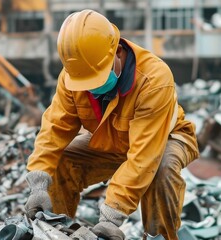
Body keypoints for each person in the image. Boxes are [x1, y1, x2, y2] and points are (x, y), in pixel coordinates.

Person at [24, 9, 199, 240]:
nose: (90, 88)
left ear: (117, 51)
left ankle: (161, 236)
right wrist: (38, 183)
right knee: (62, 161)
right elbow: (54, 128)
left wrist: (111, 218)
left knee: (162, 169)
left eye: (95, 79)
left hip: (166, 136)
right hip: (110, 137)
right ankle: (55, 233)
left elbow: (144, 156)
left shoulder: (154, 79)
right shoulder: (72, 77)